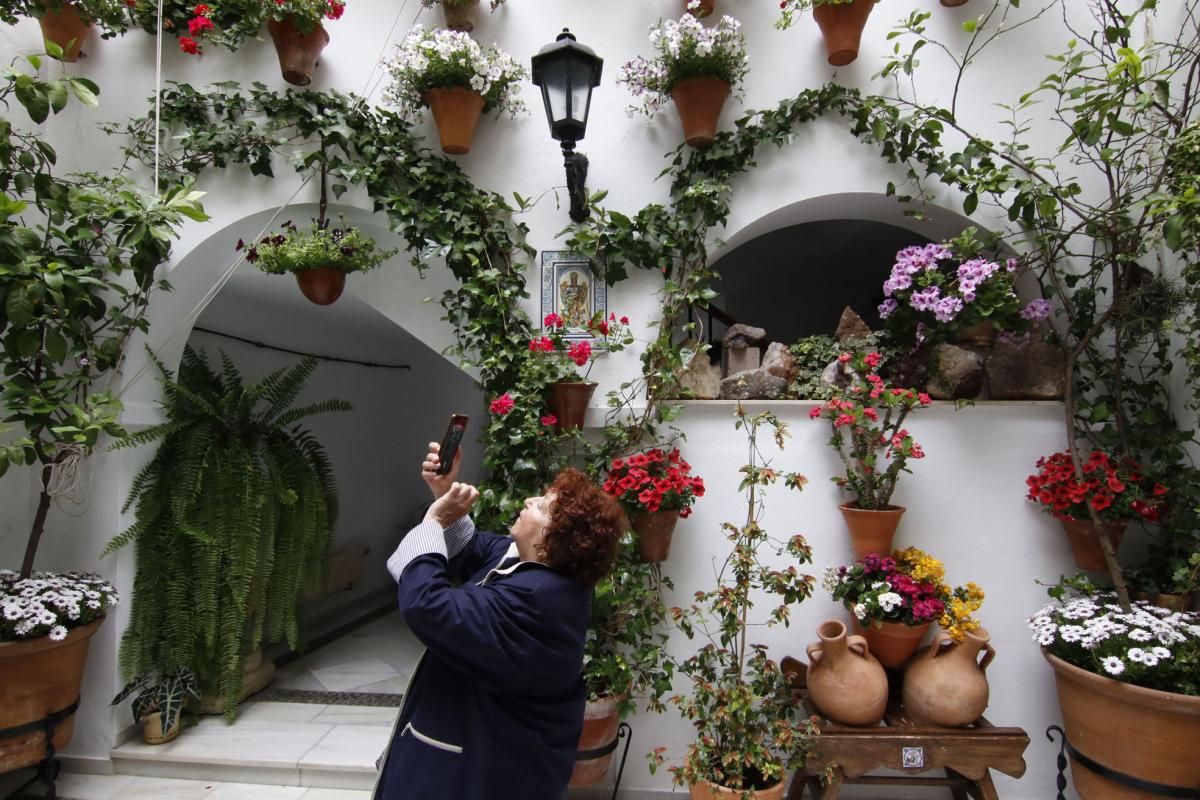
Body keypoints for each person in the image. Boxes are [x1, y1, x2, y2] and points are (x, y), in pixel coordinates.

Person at [371, 441, 623, 800]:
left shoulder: (539, 603)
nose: (528, 502)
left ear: (555, 540)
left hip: (479, 776)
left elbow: (428, 607)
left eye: (542, 506)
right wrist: (445, 492)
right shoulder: (536, 569)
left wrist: (434, 521)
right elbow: (473, 548)